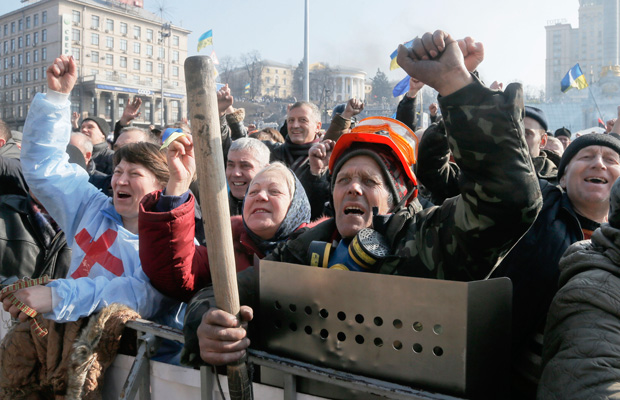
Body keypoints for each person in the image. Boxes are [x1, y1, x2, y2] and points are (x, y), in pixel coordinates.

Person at [181, 30, 542, 373]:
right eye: (342, 180)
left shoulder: (429, 239)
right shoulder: (306, 249)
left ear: (399, 197)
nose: (352, 189)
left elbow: (509, 202)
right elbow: (219, 293)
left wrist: (456, 86)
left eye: (369, 181)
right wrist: (205, 326)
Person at [1, 55, 181, 325]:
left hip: (146, 363)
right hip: (73, 349)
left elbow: (145, 296)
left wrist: (57, 297)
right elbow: (46, 167)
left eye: (134, 174)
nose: (120, 181)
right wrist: (56, 99)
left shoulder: (174, 239)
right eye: (118, 172)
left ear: (159, 184)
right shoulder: (93, 208)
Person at [139, 152, 313, 303]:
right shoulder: (224, 249)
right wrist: (177, 184)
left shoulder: (317, 252)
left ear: (295, 206)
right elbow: (173, 274)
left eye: (274, 191)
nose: (261, 196)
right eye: (252, 192)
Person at [538, 177, 620, 400]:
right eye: (585, 156)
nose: (599, 164)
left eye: (612, 159)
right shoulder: (594, 294)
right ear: (563, 177)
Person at [225, 137, 271, 216]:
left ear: (265, 170)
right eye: (230, 165)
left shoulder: (276, 215)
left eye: (245, 166)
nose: (236, 173)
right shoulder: (213, 211)